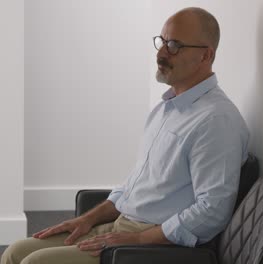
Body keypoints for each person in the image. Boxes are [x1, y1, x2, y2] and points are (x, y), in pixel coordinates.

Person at [1, 7, 249, 264]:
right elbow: (134, 187)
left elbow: (212, 211)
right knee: (15, 252)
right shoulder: (166, 109)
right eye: (162, 41)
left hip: (151, 242)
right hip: (121, 224)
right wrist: (87, 219)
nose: (161, 53)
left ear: (205, 55)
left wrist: (141, 240)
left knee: (35, 263)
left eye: (174, 45)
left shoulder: (216, 120)